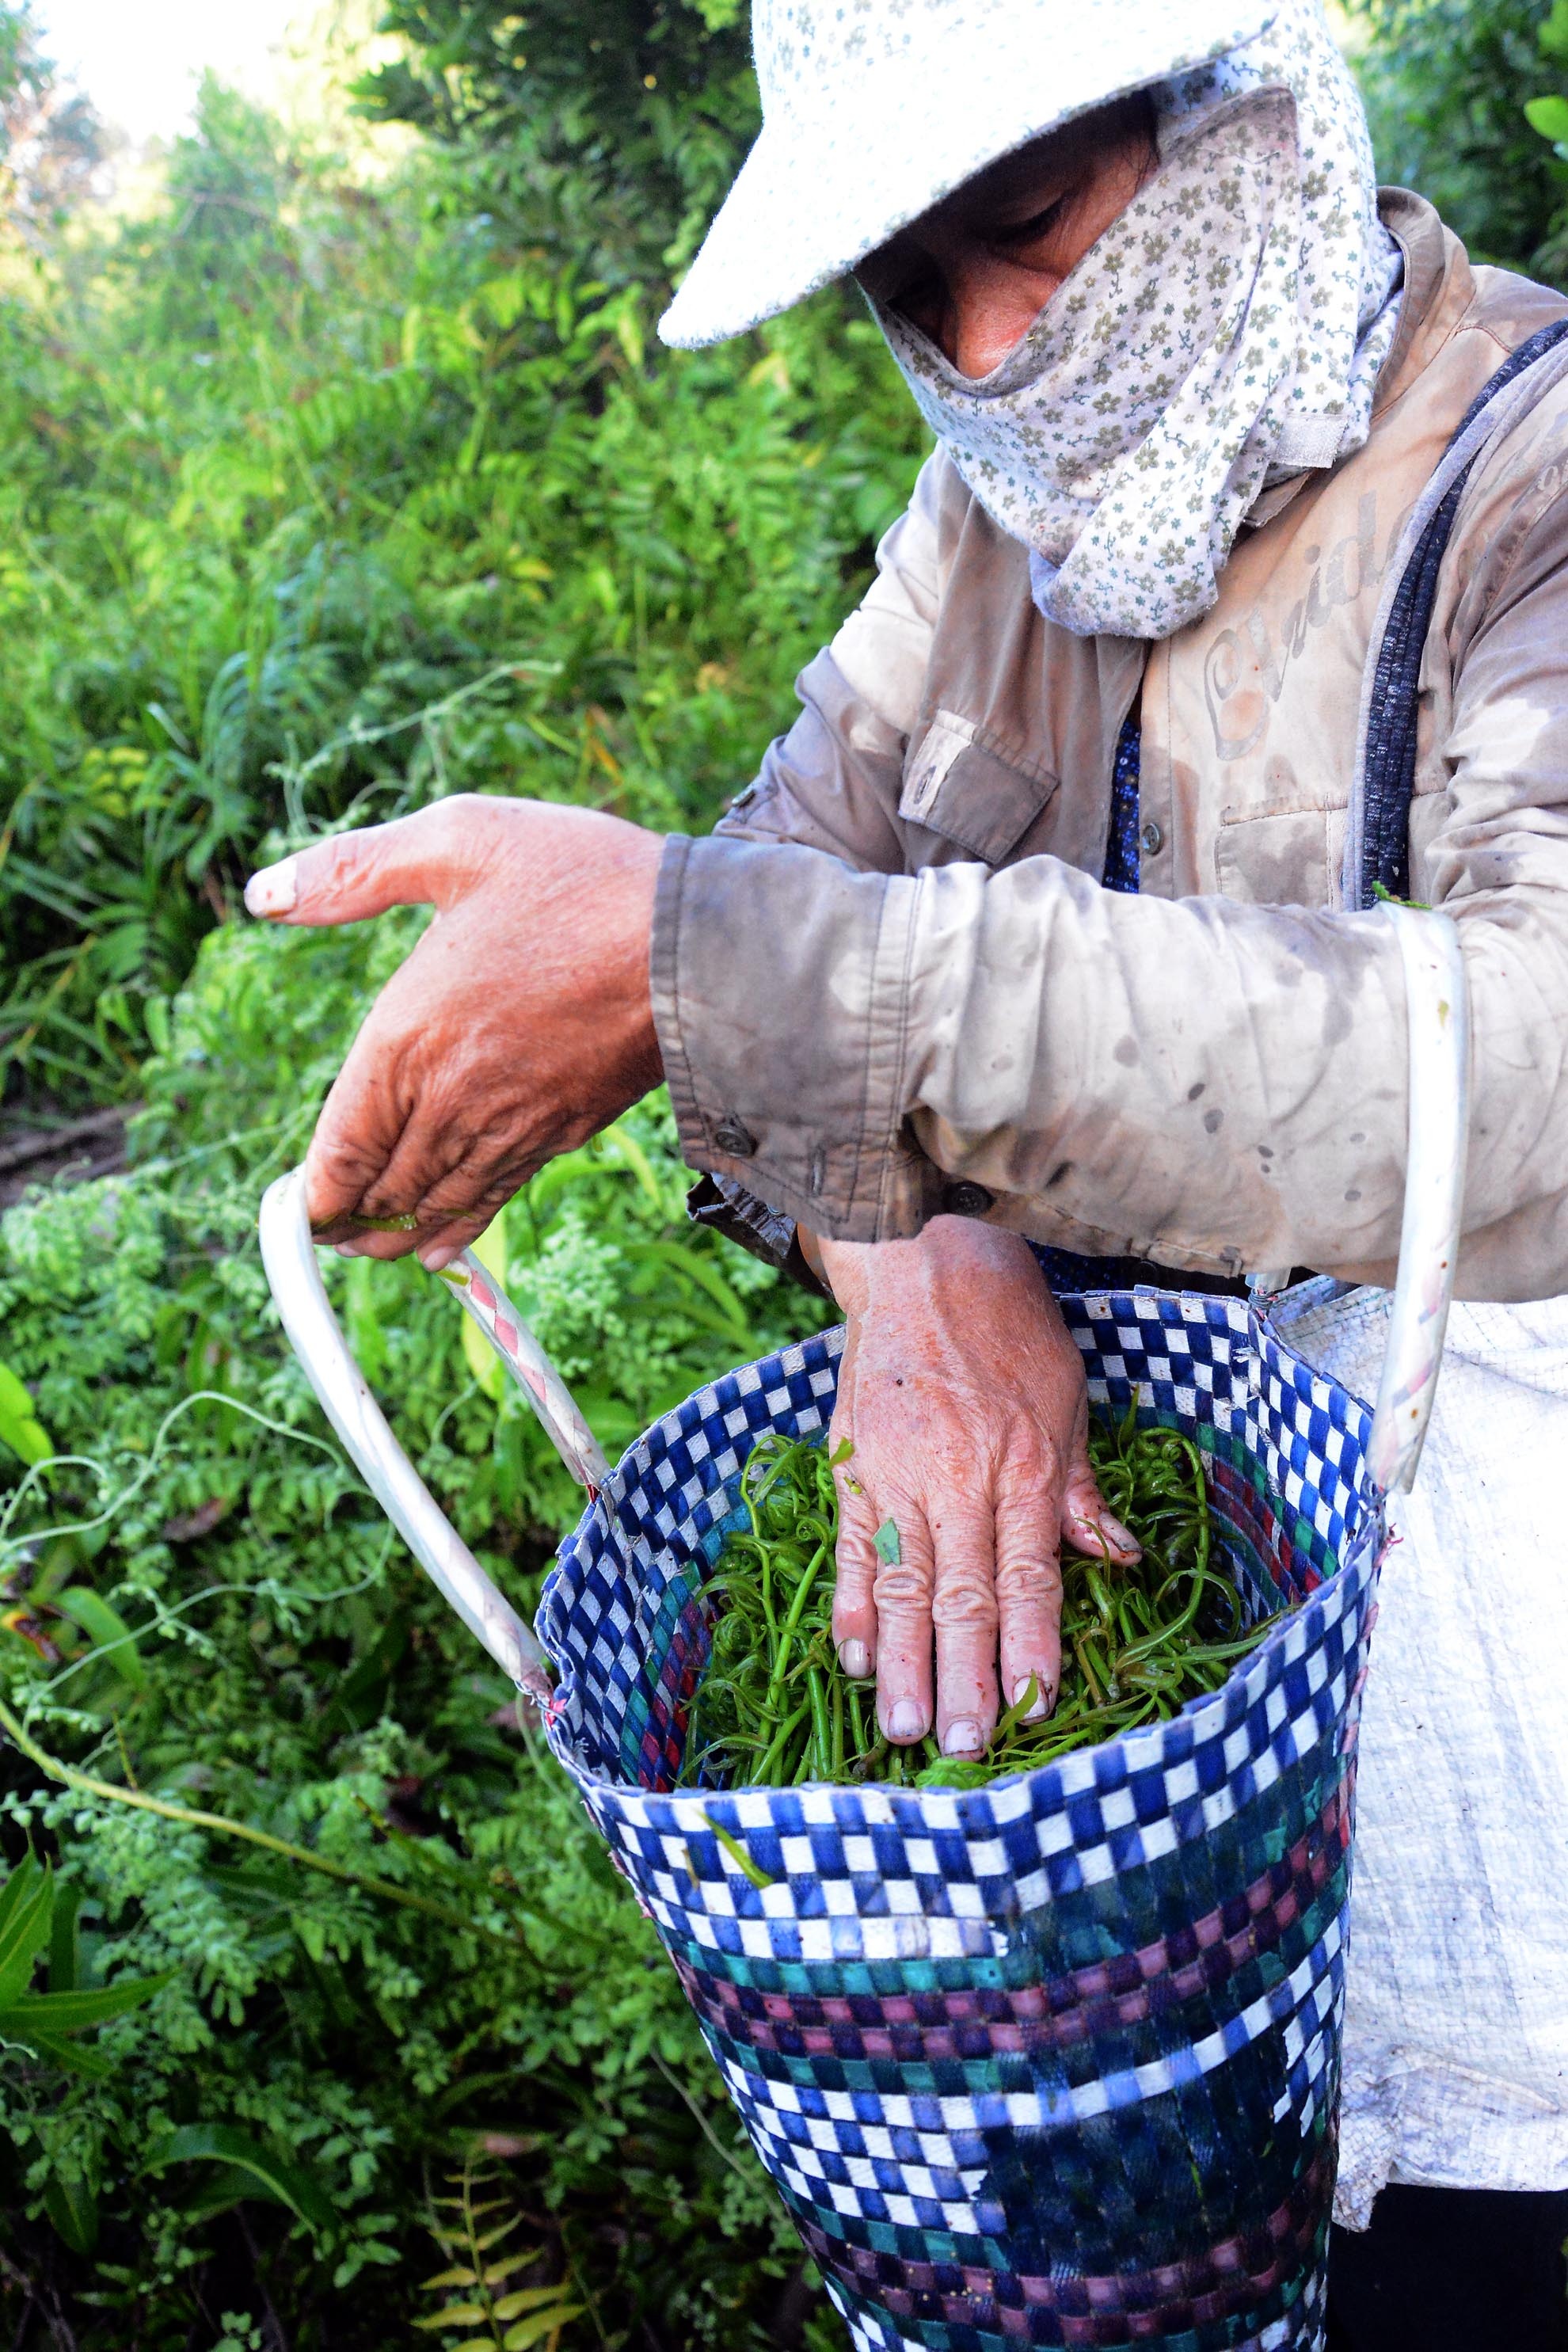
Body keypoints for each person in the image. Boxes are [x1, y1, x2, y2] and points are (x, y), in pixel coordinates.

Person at [244, 1, 1568, 2339]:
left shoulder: (1529, 466)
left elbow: (1522, 1063)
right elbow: (786, 858)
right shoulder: (993, 536)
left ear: (1246, 115)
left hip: (1508, 1850)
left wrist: (761, 991)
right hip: (1160, 1880)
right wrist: (922, 1260)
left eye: (1030, 226)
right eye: (906, 281)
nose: (983, 348)